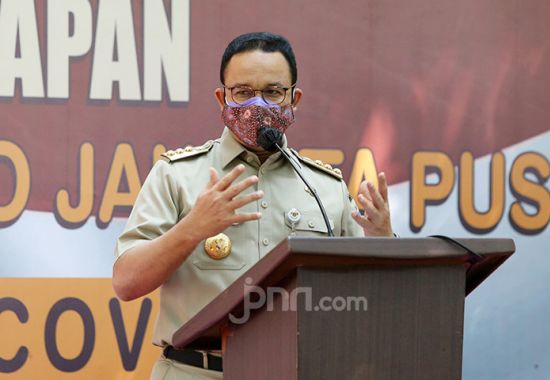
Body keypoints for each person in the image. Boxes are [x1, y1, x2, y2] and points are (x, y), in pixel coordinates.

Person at [113, 32, 394, 379]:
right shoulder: (176, 175)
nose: (256, 105)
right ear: (222, 98)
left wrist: (383, 241)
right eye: (242, 92)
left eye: (273, 92)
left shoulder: (324, 188)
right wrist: (192, 229)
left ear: (295, 99)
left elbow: (370, 304)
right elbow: (126, 283)